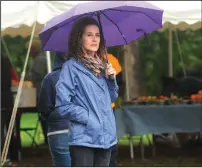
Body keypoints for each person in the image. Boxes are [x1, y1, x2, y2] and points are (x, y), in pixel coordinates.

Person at [55, 17, 119, 167]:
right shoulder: (71, 67)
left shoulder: (102, 65)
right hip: (84, 139)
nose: (94, 39)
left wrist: (111, 80)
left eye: (97, 35)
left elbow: (111, 97)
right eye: (89, 35)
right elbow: (62, 105)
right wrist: (89, 119)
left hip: (106, 138)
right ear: (79, 38)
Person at [38, 52, 71, 167]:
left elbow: (44, 109)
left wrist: (57, 116)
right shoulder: (85, 76)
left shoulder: (50, 78)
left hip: (58, 131)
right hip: (84, 132)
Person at [26, 39, 48, 144]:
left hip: (41, 92)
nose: (29, 52)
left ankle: (47, 139)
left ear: (34, 49)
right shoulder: (38, 59)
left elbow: (36, 75)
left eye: (30, 50)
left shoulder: (39, 60)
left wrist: (25, 77)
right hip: (40, 91)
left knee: (43, 117)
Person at [107, 53, 123, 167]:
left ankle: (111, 163)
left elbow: (120, 83)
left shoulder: (111, 59)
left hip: (109, 106)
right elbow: (121, 83)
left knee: (110, 138)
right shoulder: (112, 58)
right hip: (107, 106)